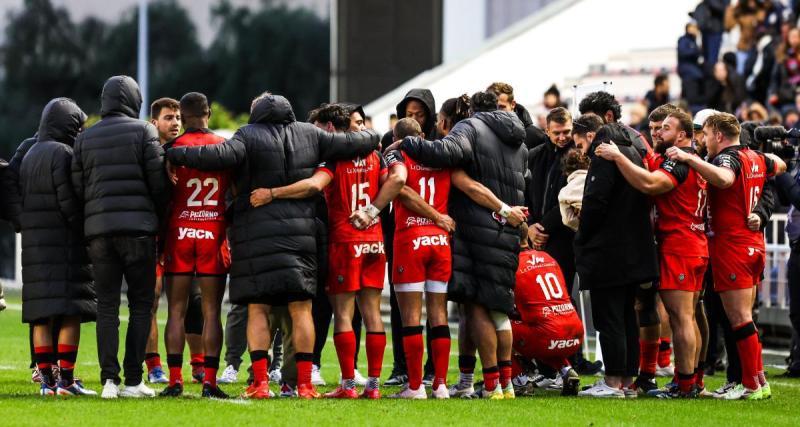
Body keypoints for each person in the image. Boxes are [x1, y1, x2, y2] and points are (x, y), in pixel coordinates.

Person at [167, 92, 380, 400]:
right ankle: (305, 384)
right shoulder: (312, 134)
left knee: (258, 308)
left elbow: (214, 157)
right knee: (301, 308)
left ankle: (261, 383)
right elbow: (357, 142)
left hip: (256, 236)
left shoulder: (247, 136)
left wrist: (172, 154)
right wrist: (374, 134)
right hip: (301, 235)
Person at [395, 91, 529, 399]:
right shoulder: (518, 141)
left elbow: (403, 184)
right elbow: (523, 179)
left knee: (473, 307)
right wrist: (509, 212)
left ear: (443, 121)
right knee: (498, 308)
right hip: (503, 227)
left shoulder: (462, 135)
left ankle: (434, 385)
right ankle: (497, 383)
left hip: (456, 230)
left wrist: (404, 143)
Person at [668, 112, 786, 400]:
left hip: (732, 243)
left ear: (719, 136)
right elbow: (780, 164)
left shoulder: (726, 159)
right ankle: (758, 382)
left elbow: (723, 179)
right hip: (753, 244)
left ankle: (752, 385)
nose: (703, 141)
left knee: (740, 318)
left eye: (706, 135)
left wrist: (692, 160)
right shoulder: (756, 156)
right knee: (743, 318)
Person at [596, 111, 709, 398]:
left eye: (665, 128)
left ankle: (684, 385)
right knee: (688, 316)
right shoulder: (684, 158)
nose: (658, 133)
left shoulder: (679, 160)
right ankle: (690, 380)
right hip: (692, 243)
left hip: (680, 244)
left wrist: (619, 157)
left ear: (682, 135)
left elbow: (649, 184)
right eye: (655, 128)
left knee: (680, 316)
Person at [72, 76, 169, 399]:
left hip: (99, 233)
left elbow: (77, 186)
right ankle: (132, 380)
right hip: (139, 231)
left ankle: (108, 382)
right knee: (142, 304)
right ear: (134, 99)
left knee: (107, 307)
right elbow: (158, 184)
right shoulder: (144, 131)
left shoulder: (86, 137)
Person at [575, 91, 659, 398]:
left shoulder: (606, 145)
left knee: (608, 315)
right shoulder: (636, 143)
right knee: (626, 316)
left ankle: (611, 382)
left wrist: (583, 236)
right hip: (637, 244)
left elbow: (597, 199)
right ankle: (625, 382)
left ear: (605, 119)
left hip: (609, 248)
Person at [320, 110, 407, 400]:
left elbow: (317, 186)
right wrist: (373, 210)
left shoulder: (334, 156)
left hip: (345, 239)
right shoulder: (375, 155)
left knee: (344, 314)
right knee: (371, 312)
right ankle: (373, 385)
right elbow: (394, 182)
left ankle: (347, 385)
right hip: (374, 239)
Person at [16, 98, 96, 396]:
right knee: (70, 310)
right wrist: (84, 227)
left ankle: (47, 384)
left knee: (41, 314)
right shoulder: (62, 153)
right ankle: (66, 380)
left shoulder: (31, 152)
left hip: (35, 244)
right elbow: (67, 200)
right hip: (64, 243)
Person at [157, 93, 231, 399]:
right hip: (213, 231)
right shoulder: (225, 147)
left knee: (175, 309)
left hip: (181, 232)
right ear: (209, 113)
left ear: (182, 118)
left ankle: (174, 380)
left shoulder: (170, 150)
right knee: (212, 311)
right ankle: (209, 382)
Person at [144, 97, 206, 385]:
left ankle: (198, 364)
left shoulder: (184, 152)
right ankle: (155, 367)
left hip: (183, 238)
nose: (176, 122)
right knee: (152, 301)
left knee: (193, 303)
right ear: (154, 122)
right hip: (154, 239)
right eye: (169, 117)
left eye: (179, 117)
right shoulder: (150, 154)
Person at [510, 224, 584, 397]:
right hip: (574, 334)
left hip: (546, 335)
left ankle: (518, 379)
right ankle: (566, 370)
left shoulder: (512, 263)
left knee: (492, 326)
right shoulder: (547, 256)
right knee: (544, 332)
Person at [488, 81, 548, 149]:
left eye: (501, 107)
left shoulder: (536, 137)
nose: (496, 112)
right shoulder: (478, 135)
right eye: (492, 107)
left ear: (512, 104)